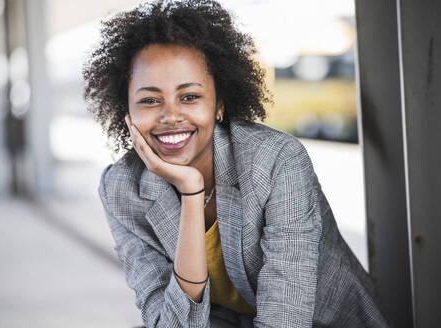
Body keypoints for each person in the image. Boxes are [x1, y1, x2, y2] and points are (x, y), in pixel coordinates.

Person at [83, 0, 390, 327]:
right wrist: (190, 192)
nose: (170, 115)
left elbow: (284, 320)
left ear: (219, 105)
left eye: (189, 97)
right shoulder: (122, 188)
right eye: (149, 100)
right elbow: (166, 323)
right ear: (127, 111)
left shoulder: (274, 161)